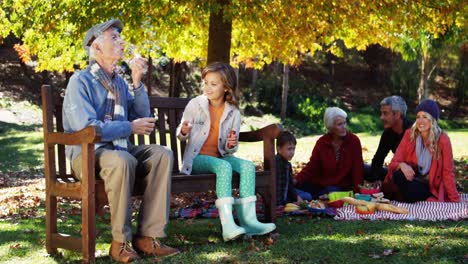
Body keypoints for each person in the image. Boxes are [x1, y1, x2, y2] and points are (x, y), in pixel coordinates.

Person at [62, 19, 179, 262]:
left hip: (119, 150)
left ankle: (148, 236)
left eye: (119, 37)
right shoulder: (80, 81)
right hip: (87, 154)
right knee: (122, 160)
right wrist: (129, 126)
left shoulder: (120, 83)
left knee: (162, 154)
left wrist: (136, 82)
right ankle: (120, 242)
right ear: (96, 48)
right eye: (113, 38)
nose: (121, 41)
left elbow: (142, 117)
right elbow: (88, 129)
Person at [176, 62, 276, 241]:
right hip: (198, 159)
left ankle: (249, 221)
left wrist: (231, 144)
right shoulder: (195, 104)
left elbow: (231, 147)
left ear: (226, 87)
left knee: (247, 166)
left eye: (214, 84)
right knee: (224, 167)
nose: (208, 87)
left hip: (221, 157)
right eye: (206, 82)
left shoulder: (233, 112)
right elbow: (181, 136)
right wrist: (184, 130)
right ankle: (228, 224)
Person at [383, 99, 460, 203]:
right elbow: (393, 163)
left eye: (425, 117)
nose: (420, 121)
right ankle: (405, 197)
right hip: (413, 179)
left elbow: (448, 172)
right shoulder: (409, 135)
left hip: (429, 185)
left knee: (412, 193)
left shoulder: (443, 140)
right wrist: (402, 165)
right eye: (418, 117)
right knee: (398, 175)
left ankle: (407, 197)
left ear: (432, 120)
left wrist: (455, 199)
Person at [295, 107, 364, 198]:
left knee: (330, 191)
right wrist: (296, 180)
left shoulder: (353, 141)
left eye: (344, 123)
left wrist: (357, 193)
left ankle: (315, 197)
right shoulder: (322, 142)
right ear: (330, 127)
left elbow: (358, 169)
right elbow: (312, 167)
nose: (344, 127)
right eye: (339, 124)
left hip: (342, 188)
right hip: (322, 184)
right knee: (297, 187)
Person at [364, 96, 413, 182]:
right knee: (363, 168)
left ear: (397, 114)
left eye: (385, 113)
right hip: (396, 170)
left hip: (413, 175)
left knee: (399, 175)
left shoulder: (414, 132)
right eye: (381, 113)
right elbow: (377, 160)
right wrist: (377, 180)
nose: (381, 117)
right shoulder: (388, 133)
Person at [275, 131, 311, 205]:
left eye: (293, 149)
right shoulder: (283, 165)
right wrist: (296, 197)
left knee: (307, 195)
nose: (292, 152)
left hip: (284, 195)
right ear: (279, 149)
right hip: (282, 199)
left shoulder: (284, 163)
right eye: (289, 149)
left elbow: (289, 185)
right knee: (308, 196)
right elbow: (288, 186)